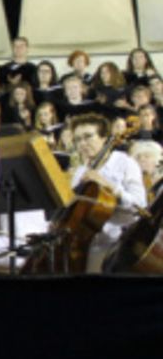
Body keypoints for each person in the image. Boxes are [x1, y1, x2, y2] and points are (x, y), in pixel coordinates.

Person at [66, 113, 146, 273]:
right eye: (78, 139)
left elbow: (140, 206)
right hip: (90, 241)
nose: (83, 143)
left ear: (104, 138)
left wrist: (110, 187)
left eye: (88, 137)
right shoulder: (81, 171)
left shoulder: (125, 163)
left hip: (118, 242)